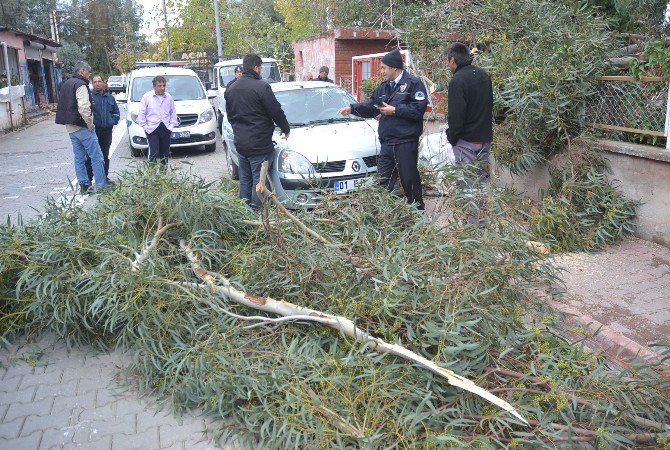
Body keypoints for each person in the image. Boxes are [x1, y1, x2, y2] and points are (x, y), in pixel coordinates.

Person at [337, 49, 427, 209]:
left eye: (384, 68)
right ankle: (381, 220)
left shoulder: (414, 84)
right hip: (387, 145)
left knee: (410, 184)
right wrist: (352, 108)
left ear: (394, 68)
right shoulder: (384, 87)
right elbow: (372, 107)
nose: (381, 71)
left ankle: (418, 218)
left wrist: (396, 110)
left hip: (404, 143)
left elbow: (418, 110)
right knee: (381, 184)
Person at [225, 54, 290, 209]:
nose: (261, 71)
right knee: (259, 181)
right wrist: (285, 128)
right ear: (256, 67)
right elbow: (276, 111)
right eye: (260, 68)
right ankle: (257, 214)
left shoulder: (231, 89)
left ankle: (243, 211)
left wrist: (240, 131)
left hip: (241, 142)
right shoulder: (262, 87)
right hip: (259, 144)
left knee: (245, 179)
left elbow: (230, 116)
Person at [445, 42, 493, 223]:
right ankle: (481, 221)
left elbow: (456, 116)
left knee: (468, 185)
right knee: (481, 183)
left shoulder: (458, 80)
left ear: (453, 60)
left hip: (466, 140)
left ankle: (471, 227)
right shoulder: (484, 76)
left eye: (448, 62)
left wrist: (452, 136)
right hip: (484, 138)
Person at [55, 61, 108, 194]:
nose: (88, 75)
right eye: (88, 72)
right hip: (82, 126)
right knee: (96, 156)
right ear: (82, 71)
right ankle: (101, 186)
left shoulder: (66, 84)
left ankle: (84, 185)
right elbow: (84, 108)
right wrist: (90, 124)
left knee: (79, 157)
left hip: (70, 127)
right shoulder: (81, 85)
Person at [85, 75, 119, 183]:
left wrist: (111, 122)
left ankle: (104, 178)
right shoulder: (89, 97)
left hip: (107, 132)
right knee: (91, 156)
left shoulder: (110, 98)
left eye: (99, 81)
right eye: (94, 82)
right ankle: (89, 180)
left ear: (104, 83)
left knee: (105, 155)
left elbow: (116, 113)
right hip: (93, 132)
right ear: (92, 84)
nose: (97, 84)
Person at [137, 76, 178, 164]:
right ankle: (152, 176)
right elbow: (141, 113)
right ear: (154, 86)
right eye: (159, 86)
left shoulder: (169, 97)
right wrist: (146, 127)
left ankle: (163, 176)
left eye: (164, 85)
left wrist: (170, 127)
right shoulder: (147, 97)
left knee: (165, 154)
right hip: (152, 129)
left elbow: (173, 112)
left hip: (165, 128)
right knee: (154, 154)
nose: (162, 88)